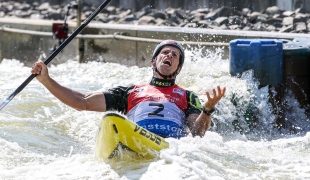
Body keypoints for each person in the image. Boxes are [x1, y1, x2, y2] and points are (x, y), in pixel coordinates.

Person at [31, 39, 226, 138]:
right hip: (136, 137)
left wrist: (207, 109)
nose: (169, 56)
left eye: (175, 55)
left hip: (173, 147)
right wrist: (47, 81)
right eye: (165, 53)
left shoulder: (187, 95)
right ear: (153, 61)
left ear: (179, 68)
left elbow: (197, 133)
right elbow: (82, 102)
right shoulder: (130, 92)